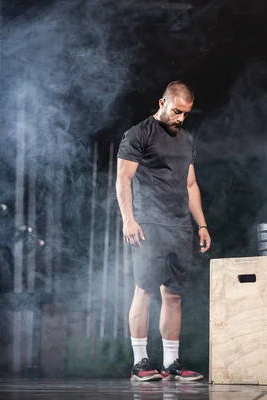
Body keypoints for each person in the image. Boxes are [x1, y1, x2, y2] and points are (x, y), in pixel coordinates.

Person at [116, 81, 211, 382]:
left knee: (173, 295)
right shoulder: (138, 134)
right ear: (162, 103)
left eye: (185, 114)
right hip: (148, 223)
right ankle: (140, 361)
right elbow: (123, 180)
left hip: (180, 224)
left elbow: (191, 184)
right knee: (144, 290)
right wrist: (128, 219)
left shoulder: (186, 140)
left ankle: (172, 363)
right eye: (176, 111)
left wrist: (202, 225)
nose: (180, 119)